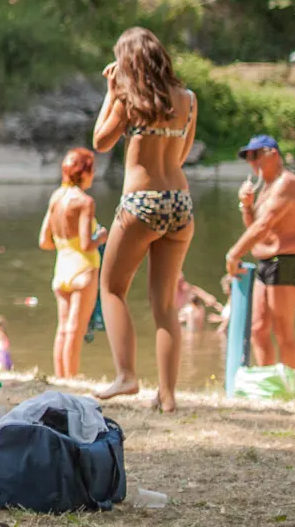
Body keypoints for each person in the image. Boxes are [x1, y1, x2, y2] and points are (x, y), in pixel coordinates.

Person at [90, 27, 198, 410]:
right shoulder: (187, 99)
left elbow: (100, 142)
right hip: (180, 202)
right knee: (165, 303)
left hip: (141, 202)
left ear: (128, 63)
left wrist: (110, 92)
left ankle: (126, 376)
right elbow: (181, 154)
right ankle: (168, 397)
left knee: (112, 288)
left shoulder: (128, 98)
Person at [228, 134, 295, 369]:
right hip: (266, 261)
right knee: (257, 329)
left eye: (255, 155)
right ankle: (269, 385)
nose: (252, 162)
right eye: (248, 158)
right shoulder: (265, 189)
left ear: (273, 154)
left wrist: (233, 254)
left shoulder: (288, 183)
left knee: (282, 331)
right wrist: (246, 205)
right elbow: (256, 228)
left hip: (286, 260)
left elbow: (264, 226)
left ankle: (290, 387)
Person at [38, 147, 106, 379]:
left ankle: (60, 377)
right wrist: (103, 236)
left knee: (63, 329)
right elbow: (87, 243)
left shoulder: (56, 198)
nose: (94, 175)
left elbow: (44, 241)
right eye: (92, 170)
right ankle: (72, 378)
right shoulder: (84, 202)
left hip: (62, 269)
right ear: (84, 173)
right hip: (83, 268)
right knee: (76, 330)